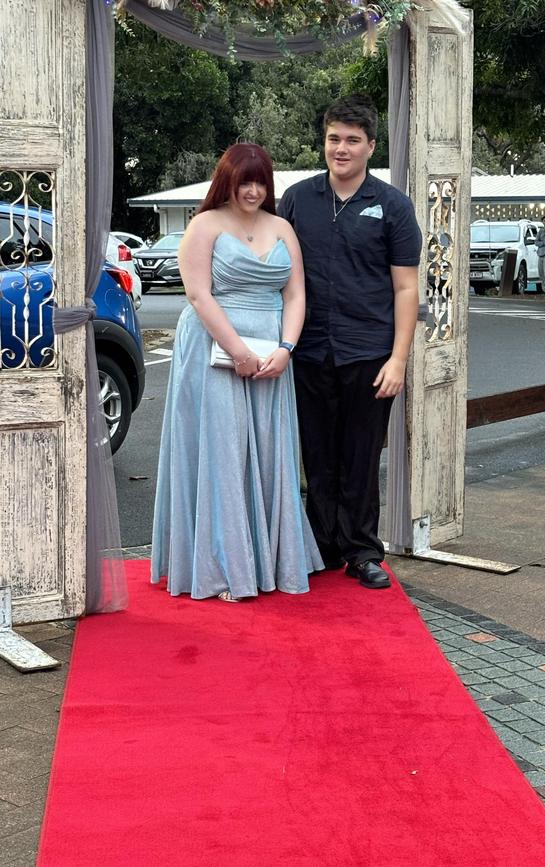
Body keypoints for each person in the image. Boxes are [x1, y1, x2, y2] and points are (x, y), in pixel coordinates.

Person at [151, 143, 323, 602]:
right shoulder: (204, 225)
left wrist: (286, 348)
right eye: (243, 181)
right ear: (226, 181)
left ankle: (270, 558)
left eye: (260, 181)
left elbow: (295, 295)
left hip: (273, 355)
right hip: (213, 349)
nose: (252, 190)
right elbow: (198, 296)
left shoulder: (282, 226)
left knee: (270, 451)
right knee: (223, 452)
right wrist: (238, 351)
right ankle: (225, 567)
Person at [278, 94, 422, 589]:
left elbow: (406, 288)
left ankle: (363, 551)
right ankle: (321, 546)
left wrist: (399, 358)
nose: (341, 149)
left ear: (370, 146)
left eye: (352, 141)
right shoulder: (297, 200)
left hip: (369, 353)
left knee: (361, 455)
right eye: (333, 139)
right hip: (309, 349)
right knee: (316, 454)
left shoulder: (392, 206)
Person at [535, 214, 545, 294]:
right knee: (540, 272)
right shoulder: (540, 231)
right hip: (540, 254)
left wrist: (543, 241)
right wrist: (542, 243)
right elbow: (536, 242)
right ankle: (543, 287)